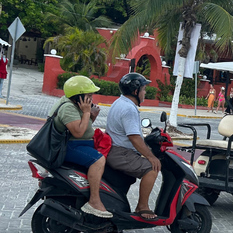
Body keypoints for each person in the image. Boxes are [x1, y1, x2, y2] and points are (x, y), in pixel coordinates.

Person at [51, 76, 110, 218]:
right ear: (79, 96)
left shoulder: (74, 105)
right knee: (98, 160)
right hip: (70, 146)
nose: (91, 98)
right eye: (88, 96)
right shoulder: (67, 108)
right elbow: (78, 133)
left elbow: (84, 126)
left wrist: (91, 116)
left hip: (78, 143)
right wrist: (87, 112)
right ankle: (94, 201)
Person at [106, 73, 160, 220]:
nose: (145, 93)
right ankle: (142, 207)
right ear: (135, 91)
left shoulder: (119, 102)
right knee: (152, 168)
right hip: (121, 153)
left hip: (114, 150)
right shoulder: (129, 109)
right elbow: (134, 138)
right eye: (143, 89)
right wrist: (151, 156)